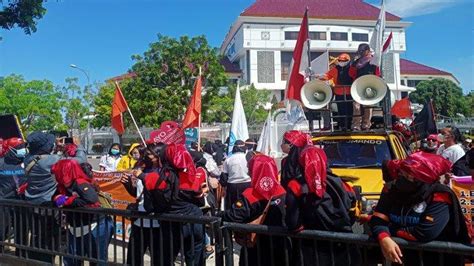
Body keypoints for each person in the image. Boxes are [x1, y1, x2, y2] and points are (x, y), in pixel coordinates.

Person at [370, 152, 471, 265]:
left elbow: (425, 232)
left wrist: (390, 230)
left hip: (437, 260)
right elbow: (377, 219)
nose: (405, 178)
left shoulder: (439, 194)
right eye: (403, 173)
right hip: (403, 259)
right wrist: (384, 238)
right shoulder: (391, 189)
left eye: (411, 176)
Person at [285, 145, 360, 266]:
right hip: (344, 249)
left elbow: (293, 224)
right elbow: (351, 216)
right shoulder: (343, 184)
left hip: (311, 252)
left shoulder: (295, 186)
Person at [136, 143, 205, 265]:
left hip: (169, 224)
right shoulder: (190, 177)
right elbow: (199, 201)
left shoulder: (152, 178)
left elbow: (149, 207)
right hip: (194, 221)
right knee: (195, 260)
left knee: (166, 259)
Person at [222, 154, 287, 266]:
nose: (248, 172)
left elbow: (233, 216)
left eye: (250, 169)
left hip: (256, 248)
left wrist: (220, 215)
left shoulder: (250, 195)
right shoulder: (282, 191)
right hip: (279, 245)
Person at [52, 160, 114, 266]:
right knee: (72, 259)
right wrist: (59, 199)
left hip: (96, 225)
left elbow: (91, 199)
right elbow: (55, 198)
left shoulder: (80, 182)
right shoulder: (62, 186)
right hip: (76, 226)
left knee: (97, 259)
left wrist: (69, 200)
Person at [23, 131, 61, 263]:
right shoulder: (52, 160)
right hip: (48, 204)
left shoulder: (28, 158)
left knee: (36, 234)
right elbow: (79, 161)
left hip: (31, 203)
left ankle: (34, 260)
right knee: (50, 237)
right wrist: (77, 147)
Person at [120, 144, 160, 266]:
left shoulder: (162, 172)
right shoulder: (142, 170)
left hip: (157, 224)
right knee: (133, 258)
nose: (141, 157)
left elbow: (159, 192)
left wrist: (143, 177)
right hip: (139, 222)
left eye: (147, 154)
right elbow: (139, 194)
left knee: (159, 259)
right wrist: (127, 185)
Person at [0, 137, 27, 255]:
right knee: (2, 229)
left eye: (23, 147)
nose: (23, 150)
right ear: (10, 149)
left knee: (22, 230)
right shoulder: (1, 163)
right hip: (4, 203)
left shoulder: (27, 162)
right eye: (19, 148)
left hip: (21, 203)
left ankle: (21, 254)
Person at [349, 43, 381, 131]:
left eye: (362, 51)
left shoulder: (374, 60)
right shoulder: (356, 62)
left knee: (368, 105)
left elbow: (378, 73)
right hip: (358, 85)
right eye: (359, 51)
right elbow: (351, 73)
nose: (360, 52)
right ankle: (356, 125)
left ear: (367, 50)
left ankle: (366, 124)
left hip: (370, 86)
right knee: (356, 105)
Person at [322, 53, 354, 130]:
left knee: (350, 110)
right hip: (339, 93)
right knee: (341, 110)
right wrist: (317, 77)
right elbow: (326, 76)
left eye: (344, 61)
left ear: (348, 60)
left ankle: (349, 125)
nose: (341, 62)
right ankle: (343, 126)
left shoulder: (352, 69)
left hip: (350, 93)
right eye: (339, 60)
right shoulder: (335, 69)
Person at [221, 140, 251, 211]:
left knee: (232, 206)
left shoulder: (228, 159)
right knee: (245, 205)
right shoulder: (248, 158)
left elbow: (224, 177)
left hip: (232, 187)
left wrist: (224, 187)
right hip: (247, 185)